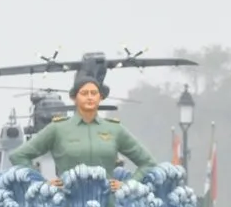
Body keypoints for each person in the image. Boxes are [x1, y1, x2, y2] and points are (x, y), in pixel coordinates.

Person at [8, 76, 156, 188]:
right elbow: (19, 156)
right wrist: (42, 185)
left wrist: (128, 186)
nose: (90, 97)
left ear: (100, 98)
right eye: (84, 93)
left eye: (94, 93)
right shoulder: (58, 129)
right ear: (74, 97)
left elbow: (148, 163)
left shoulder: (114, 130)